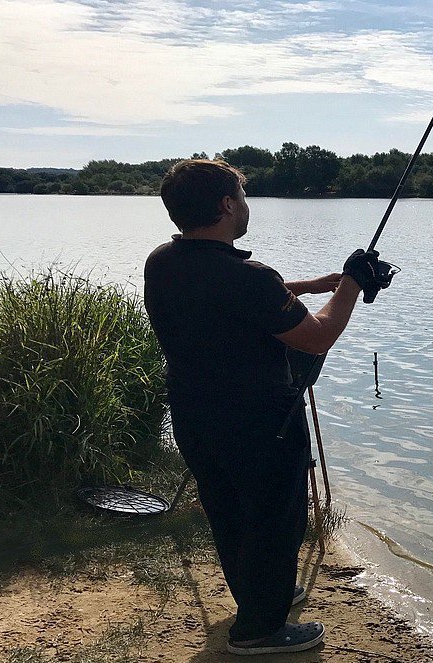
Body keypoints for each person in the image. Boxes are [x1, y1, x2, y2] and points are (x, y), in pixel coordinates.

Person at [143, 159, 384, 655]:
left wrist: (318, 285)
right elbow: (315, 338)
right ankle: (261, 630)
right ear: (228, 205)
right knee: (276, 520)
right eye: (242, 196)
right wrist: (351, 288)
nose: (246, 206)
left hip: (195, 415)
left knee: (230, 514)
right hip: (259, 425)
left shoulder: (163, 261)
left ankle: (260, 595)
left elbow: (232, 298)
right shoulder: (248, 278)